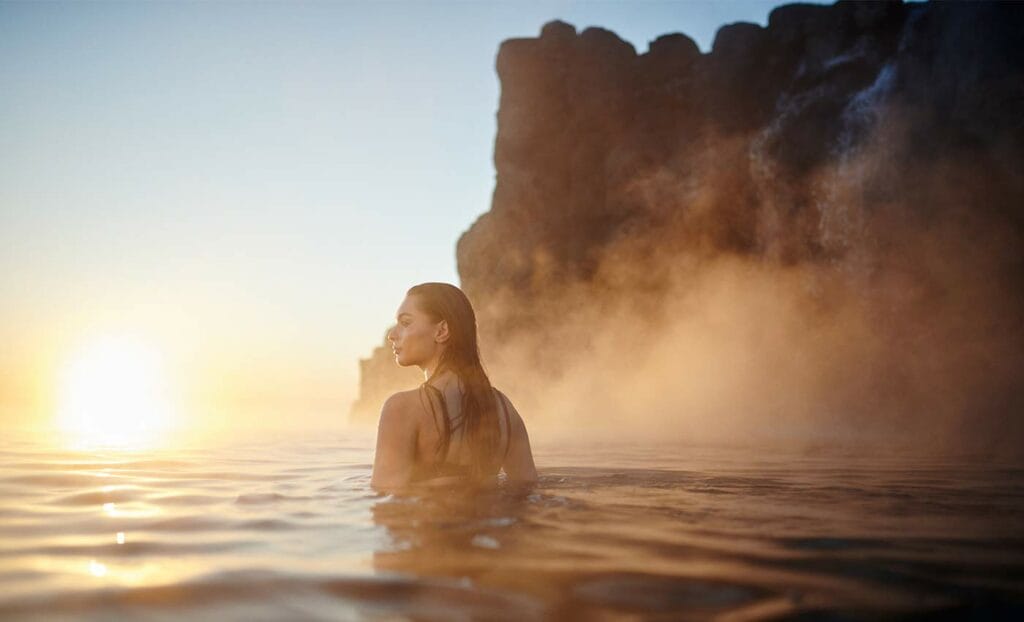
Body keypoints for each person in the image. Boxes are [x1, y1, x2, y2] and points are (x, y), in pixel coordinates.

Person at [371, 282, 537, 491]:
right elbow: (527, 488)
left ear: (442, 331)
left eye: (405, 322)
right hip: (490, 522)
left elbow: (385, 503)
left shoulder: (402, 408)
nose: (392, 334)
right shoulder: (503, 408)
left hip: (429, 521)